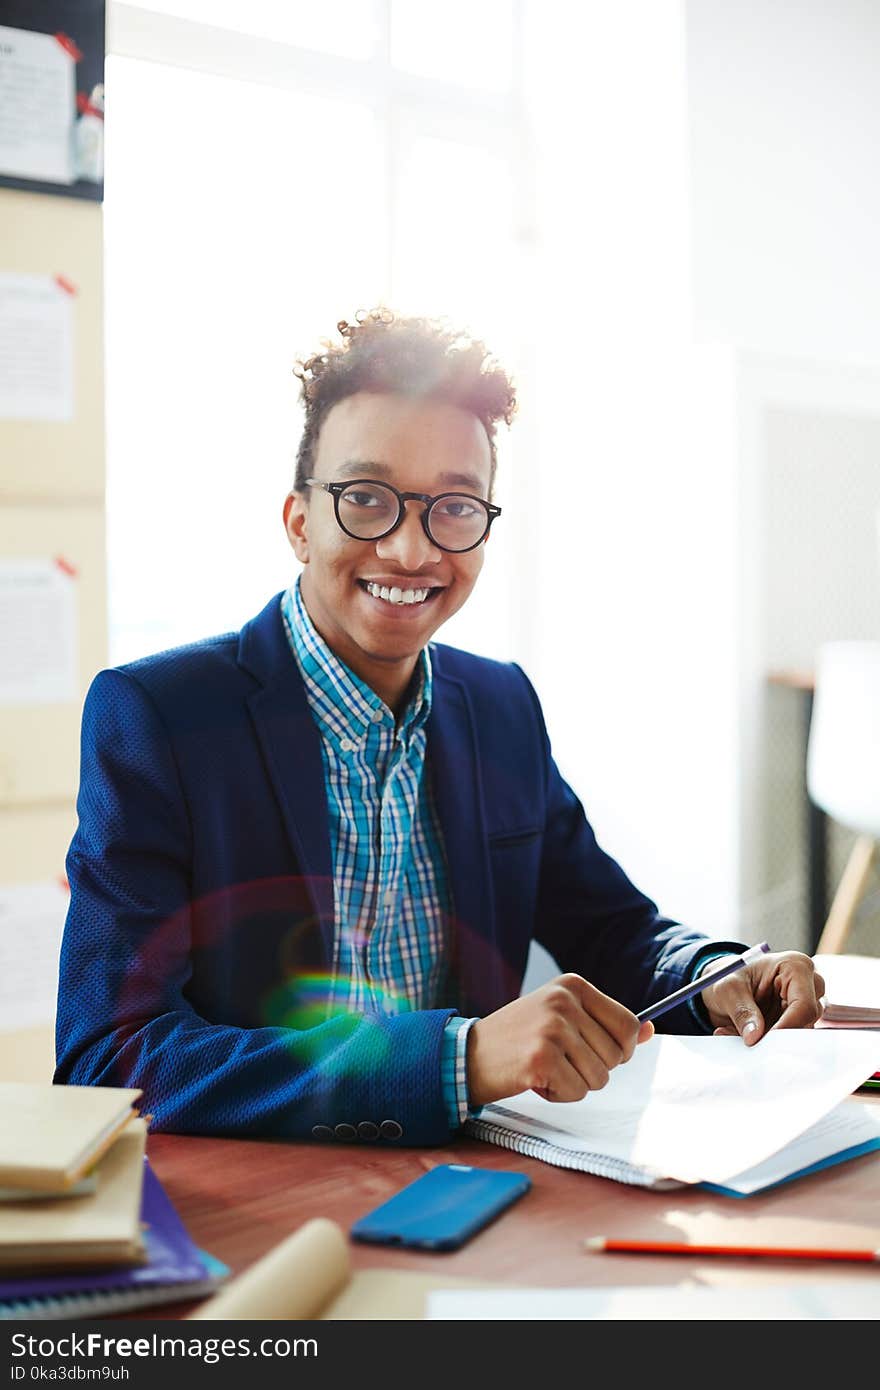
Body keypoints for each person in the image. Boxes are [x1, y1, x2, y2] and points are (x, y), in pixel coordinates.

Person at [54, 309, 824, 1144]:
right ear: (299, 521)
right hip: (257, 1193)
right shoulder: (160, 718)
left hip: (466, 1185)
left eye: (454, 507)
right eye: (368, 499)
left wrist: (714, 975)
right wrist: (459, 1059)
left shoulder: (498, 707)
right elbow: (109, 1056)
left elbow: (610, 925)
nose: (414, 551)